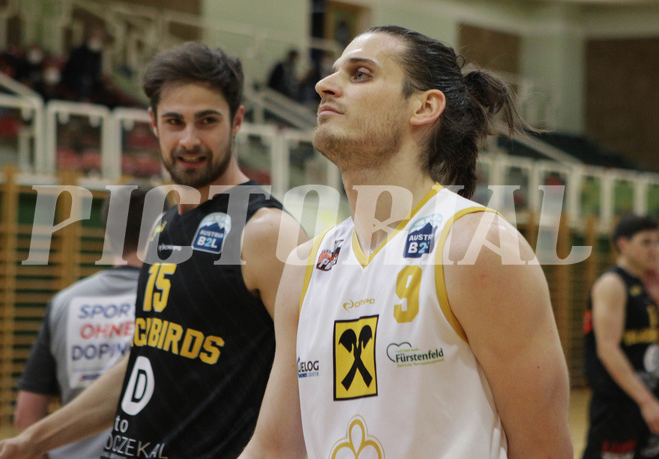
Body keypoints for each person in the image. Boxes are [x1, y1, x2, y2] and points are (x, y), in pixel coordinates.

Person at [240, 25, 573, 458]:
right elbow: (274, 449)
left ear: (424, 106)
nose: (324, 84)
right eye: (334, 72)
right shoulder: (305, 266)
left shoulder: (476, 246)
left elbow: (544, 448)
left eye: (360, 74)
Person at [0, 41, 306, 459]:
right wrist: (33, 440)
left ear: (237, 120)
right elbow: (147, 356)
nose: (189, 139)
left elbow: (308, 373)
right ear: (153, 123)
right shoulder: (165, 225)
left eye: (207, 120)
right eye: (175, 121)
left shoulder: (267, 233)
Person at [13, 184, 163, 459]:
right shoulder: (173, 300)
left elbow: (26, 416)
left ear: (108, 237)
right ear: (162, 233)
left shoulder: (64, 303)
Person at [582, 215, 659, 458]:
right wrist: (646, 401)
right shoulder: (612, 283)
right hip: (620, 405)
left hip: (647, 400)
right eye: (646, 242)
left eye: (657, 242)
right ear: (623, 245)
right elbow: (608, 349)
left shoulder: (648, 286)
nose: (654, 249)